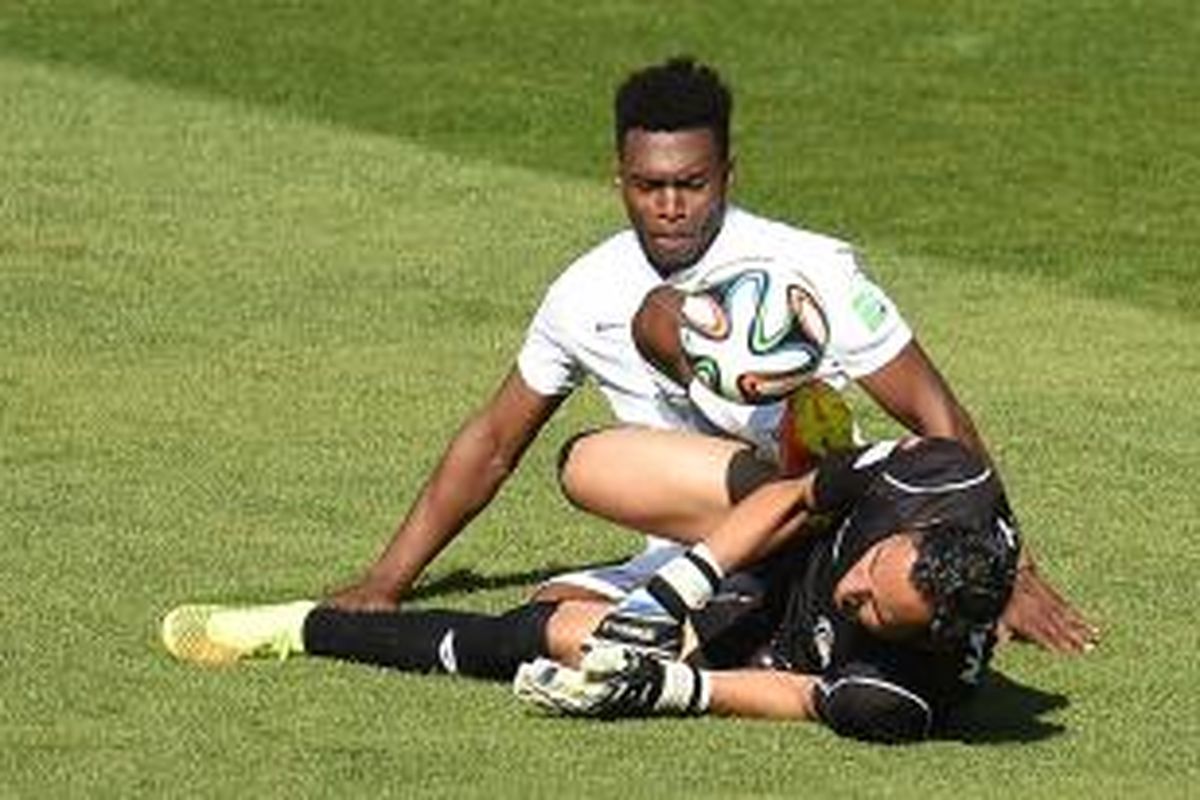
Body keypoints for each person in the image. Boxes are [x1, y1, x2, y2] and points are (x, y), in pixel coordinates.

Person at [322, 56, 1091, 651]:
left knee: (596, 478)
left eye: (691, 183)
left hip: (818, 512)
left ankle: (797, 599)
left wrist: (1009, 566)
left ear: (728, 173)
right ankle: (759, 611)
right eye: (649, 185)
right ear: (619, 179)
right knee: (550, 620)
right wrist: (388, 580)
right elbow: (493, 443)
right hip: (692, 540)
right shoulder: (584, 292)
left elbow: (936, 414)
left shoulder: (809, 272)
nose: (669, 205)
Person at [162, 437, 1021, 743]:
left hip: (767, 640)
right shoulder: (934, 477)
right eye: (872, 575)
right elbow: (794, 498)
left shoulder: (905, 698)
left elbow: (801, 694)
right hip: (776, 539)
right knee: (592, 462)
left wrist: (674, 687)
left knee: (557, 631)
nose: (854, 597)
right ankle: (642, 578)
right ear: (916, 532)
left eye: (873, 617)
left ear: (930, 641)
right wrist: (676, 589)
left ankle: (299, 628)